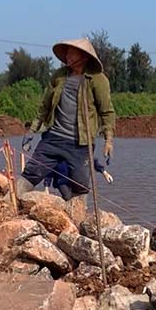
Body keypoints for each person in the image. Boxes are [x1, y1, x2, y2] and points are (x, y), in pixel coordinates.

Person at [18, 37, 116, 206]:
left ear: (84, 57)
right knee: (31, 172)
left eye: (72, 54)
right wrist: (32, 131)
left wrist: (108, 141)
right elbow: (45, 106)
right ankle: (9, 203)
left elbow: (107, 112)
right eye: (67, 53)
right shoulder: (59, 76)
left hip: (80, 143)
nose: (68, 57)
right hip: (54, 138)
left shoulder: (97, 79)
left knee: (80, 185)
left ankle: (78, 220)